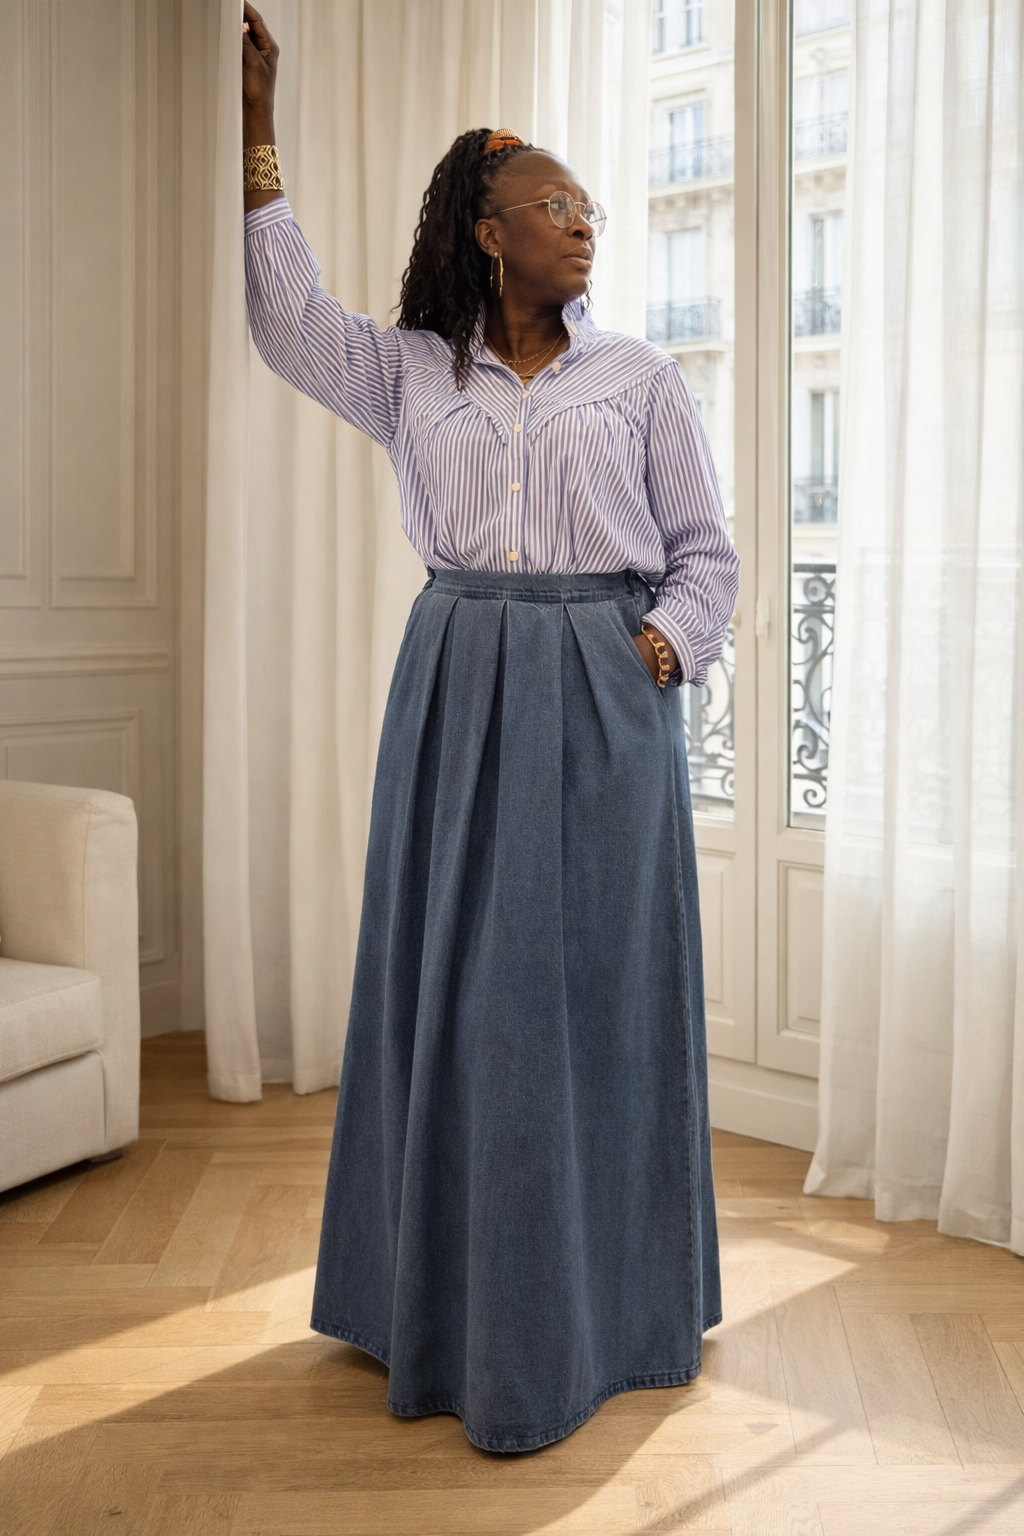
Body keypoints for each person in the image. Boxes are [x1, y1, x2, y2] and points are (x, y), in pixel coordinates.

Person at [241, 3, 739, 1454]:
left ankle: (616, 1311)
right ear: (487, 231)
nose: (582, 227)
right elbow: (287, 325)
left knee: (595, 996)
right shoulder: (411, 371)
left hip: (603, 689)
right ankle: (442, 1307)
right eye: (553, 206)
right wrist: (259, 133)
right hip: (458, 684)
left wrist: (656, 648)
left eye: (589, 211)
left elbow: (706, 554)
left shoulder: (639, 377)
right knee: (459, 997)